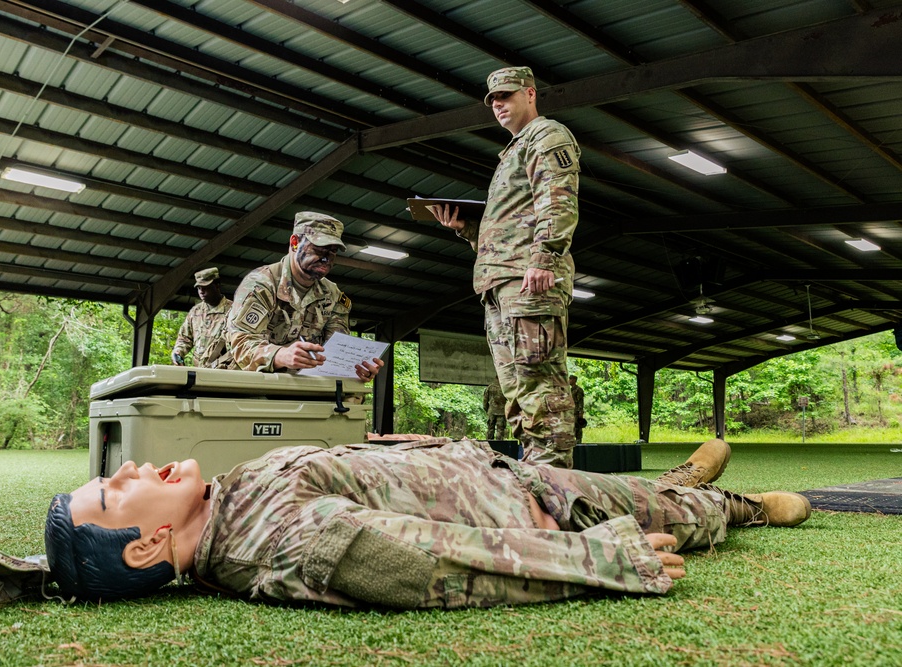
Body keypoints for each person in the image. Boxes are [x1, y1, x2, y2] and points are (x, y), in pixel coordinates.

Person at [44, 438, 812, 608]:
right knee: (672, 515)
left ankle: (670, 481)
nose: (130, 469)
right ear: (147, 545)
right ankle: (742, 507)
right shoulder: (278, 539)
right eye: (114, 491)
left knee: (633, 488)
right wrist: (594, 558)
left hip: (502, 473)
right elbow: (433, 562)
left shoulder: (229, 499)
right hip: (533, 509)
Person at [430, 67, 580, 468]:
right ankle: (536, 474)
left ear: (530, 94)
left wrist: (545, 256)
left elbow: (558, 198)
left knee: (539, 383)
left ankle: (553, 480)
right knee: (516, 390)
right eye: (493, 100)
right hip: (500, 282)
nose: (498, 104)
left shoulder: (546, 136)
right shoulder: (512, 152)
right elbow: (510, 226)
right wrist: (466, 228)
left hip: (527, 280)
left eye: (506, 96)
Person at [225, 212, 383, 382]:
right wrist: (280, 355)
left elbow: (336, 352)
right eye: (319, 248)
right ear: (294, 243)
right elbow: (241, 343)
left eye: (333, 251)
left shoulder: (333, 295)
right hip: (253, 385)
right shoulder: (262, 284)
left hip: (304, 387)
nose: (326, 258)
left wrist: (356, 368)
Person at [170, 268, 233, 369]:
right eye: (199, 288)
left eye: (205, 287)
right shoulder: (195, 312)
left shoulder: (234, 310)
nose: (201, 291)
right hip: (199, 372)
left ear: (217, 285)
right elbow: (184, 339)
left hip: (224, 372)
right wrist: (178, 353)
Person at [569, 374, 585, 444]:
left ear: (574, 380)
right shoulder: (570, 390)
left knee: (578, 426)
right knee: (571, 427)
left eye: (570, 379)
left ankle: (578, 441)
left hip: (577, 412)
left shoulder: (578, 390)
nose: (569, 381)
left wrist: (580, 412)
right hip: (571, 412)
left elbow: (580, 402)